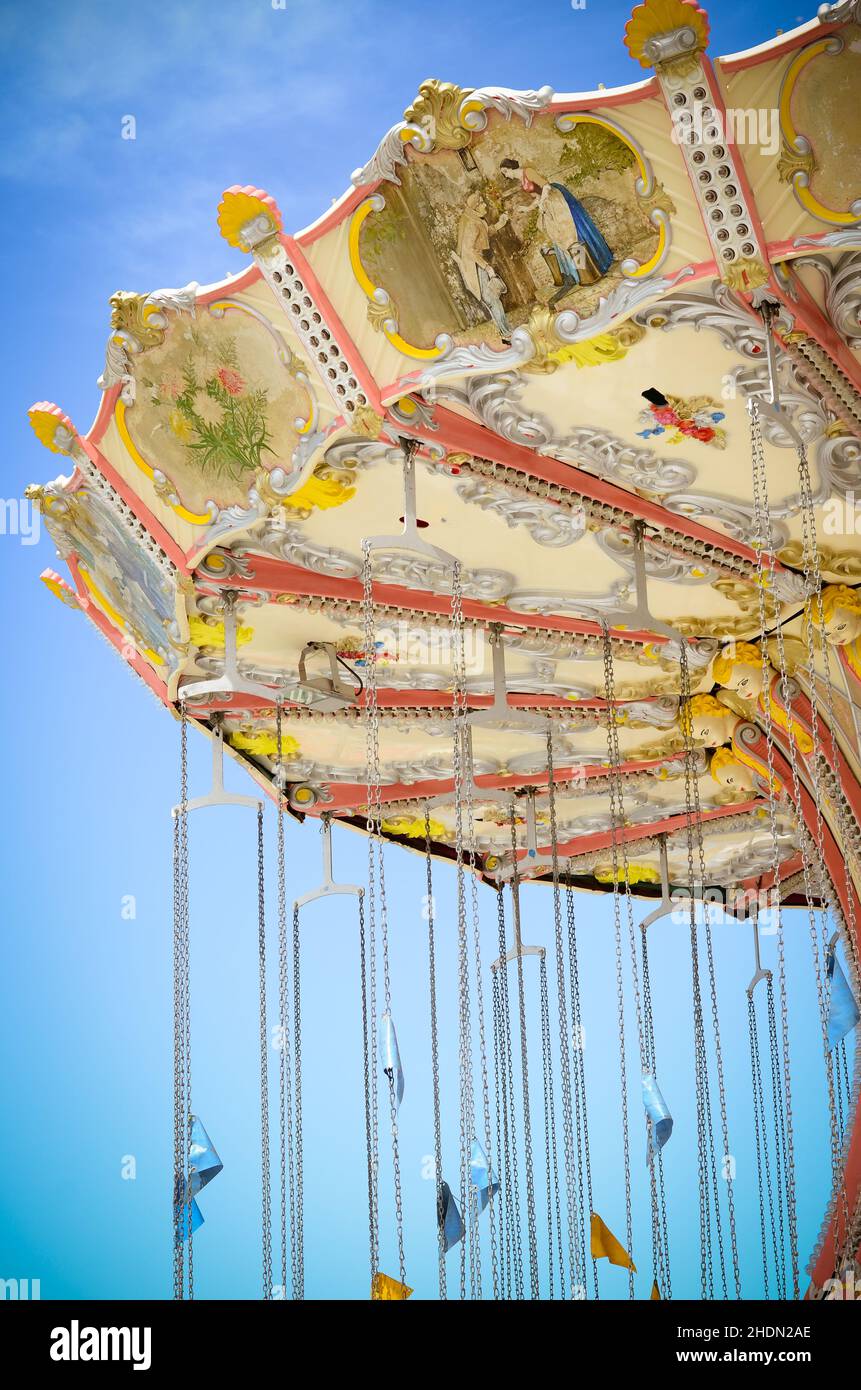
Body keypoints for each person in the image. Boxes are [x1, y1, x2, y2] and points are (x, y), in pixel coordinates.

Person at [499, 158, 613, 304]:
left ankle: (589, 271)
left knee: (569, 234)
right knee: (557, 236)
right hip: (547, 204)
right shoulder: (522, 182)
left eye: (505, 171)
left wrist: (542, 203)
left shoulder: (528, 172)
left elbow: (546, 186)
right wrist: (527, 208)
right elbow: (538, 197)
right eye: (504, 173)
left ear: (510, 167)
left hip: (555, 199)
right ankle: (578, 274)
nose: (506, 175)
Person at [453, 191, 512, 339]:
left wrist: (500, 223)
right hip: (475, 266)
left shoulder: (477, 221)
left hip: (477, 264)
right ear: (476, 207)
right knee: (492, 299)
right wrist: (487, 267)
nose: (485, 204)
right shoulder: (472, 224)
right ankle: (505, 331)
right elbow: (469, 249)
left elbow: (484, 234)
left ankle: (504, 330)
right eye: (482, 203)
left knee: (492, 299)